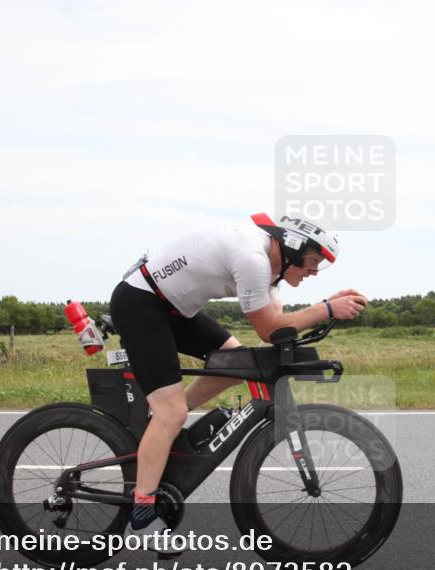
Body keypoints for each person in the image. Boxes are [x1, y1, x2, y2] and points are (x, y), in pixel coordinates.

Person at [109, 213, 368, 550]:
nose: (313, 272)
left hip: (172, 309)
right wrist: (327, 309)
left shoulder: (270, 266)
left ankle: (163, 425)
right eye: (312, 261)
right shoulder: (252, 258)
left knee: (233, 361)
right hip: (141, 305)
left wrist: (326, 307)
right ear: (291, 246)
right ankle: (142, 515)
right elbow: (270, 330)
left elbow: (280, 329)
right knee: (171, 412)